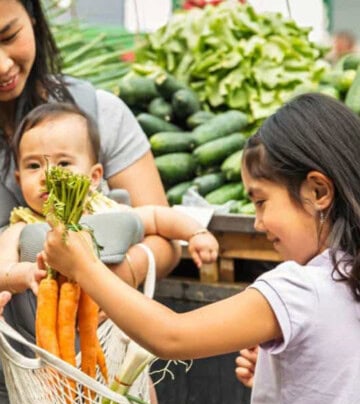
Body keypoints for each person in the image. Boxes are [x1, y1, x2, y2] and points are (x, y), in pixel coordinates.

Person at [43, 92, 360, 404]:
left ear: (318, 191)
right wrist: (275, 372)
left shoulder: (297, 287)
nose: (257, 222)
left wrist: (86, 269)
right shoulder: (347, 275)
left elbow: (173, 336)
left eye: (262, 201)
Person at [0, 2, 181, 404]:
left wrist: (107, 279)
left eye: (9, 34)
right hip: (15, 380)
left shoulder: (99, 112)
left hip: (105, 369)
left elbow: (159, 234)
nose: (2, 63)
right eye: (32, 165)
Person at [0, 101, 218, 295]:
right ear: (19, 180)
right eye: (33, 166)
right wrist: (25, 273)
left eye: (63, 164)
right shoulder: (21, 227)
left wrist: (196, 233)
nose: (47, 176)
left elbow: (157, 217)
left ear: (94, 177)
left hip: (113, 330)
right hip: (43, 332)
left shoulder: (107, 211)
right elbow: (3, 270)